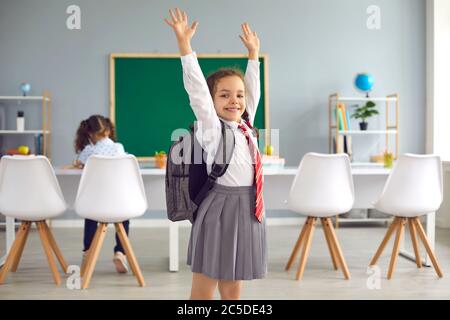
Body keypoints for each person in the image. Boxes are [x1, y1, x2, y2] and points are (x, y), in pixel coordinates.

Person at [165, 8, 267, 300]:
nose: (234, 100)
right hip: (220, 209)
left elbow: (253, 91)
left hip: (248, 208)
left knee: (234, 285)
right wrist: (185, 46)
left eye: (238, 95)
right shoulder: (212, 128)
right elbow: (196, 90)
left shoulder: (246, 125)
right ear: (212, 102)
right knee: (205, 285)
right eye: (224, 95)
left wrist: (253, 55)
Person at [74, 114, 129, 274]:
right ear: (108, 130)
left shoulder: (88, 151)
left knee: (90, 215)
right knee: (124, 217)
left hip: (96, 203)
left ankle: (87, 252)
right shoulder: (118, 147)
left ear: (90, 134)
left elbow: (78, 162)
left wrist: (78, 163)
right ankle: (120, 252)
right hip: (118, 203)